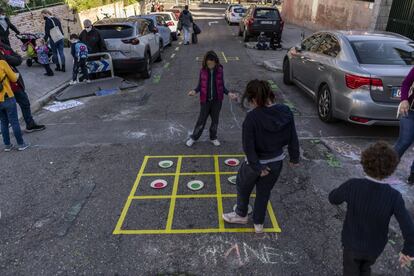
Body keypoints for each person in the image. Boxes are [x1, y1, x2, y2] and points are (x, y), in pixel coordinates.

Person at [222, 79, 300, 234]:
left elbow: (248, 148)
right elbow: (293, 136)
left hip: (256, 164)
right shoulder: (285, 111)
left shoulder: (252, 118)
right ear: (270, 94)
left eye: (250, 101)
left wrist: (258, 167)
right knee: (264, 193)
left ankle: (241, 214)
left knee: (242, 185)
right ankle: (258, 223)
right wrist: (294, 158)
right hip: (276, 163)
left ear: (253, 99)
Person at [329, 141, 414, 275]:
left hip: (352, 243)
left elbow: (333, 199)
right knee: (366, 267)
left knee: (350, 269)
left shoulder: (352, 186)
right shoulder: (394, 196)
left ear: (364, 162)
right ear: (391, 168)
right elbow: (409, 228)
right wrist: (408, 250)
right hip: (375, 247)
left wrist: (339, 191)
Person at [186, 51, 237, 147]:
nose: (210, 65)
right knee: (201, 121)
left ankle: (213, 137)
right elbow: (200, 86)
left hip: (217, 101)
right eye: (208, 63)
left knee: (215, 121)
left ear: (216, 62)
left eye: (212, 64)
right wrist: (194, 91)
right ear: (205, 62)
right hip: (205, 101)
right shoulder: (202, 71)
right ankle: (194, 138)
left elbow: (222, 86)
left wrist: (229, 93)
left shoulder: (220, 70)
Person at [0, 41, 45, 132]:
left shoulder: (4, 46)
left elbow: (18, 60)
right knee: (8, 113)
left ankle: (30, 124)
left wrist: (6, 57)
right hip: (4, 87)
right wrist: (7, 58)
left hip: (15, 83)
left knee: (25, 103)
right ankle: (12, 138)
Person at [0, 59, 29, 151]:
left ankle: (7, 145)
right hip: (7, 96)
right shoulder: (2, 63)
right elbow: (13, 78)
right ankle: (21, 144)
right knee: (14, 121)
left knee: (3, 122)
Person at [395, 67, 414, 184]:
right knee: (404, 141)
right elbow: (406, 83)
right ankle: (384, 168)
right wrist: (404, 100)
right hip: (410, 111)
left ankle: (413, 175)